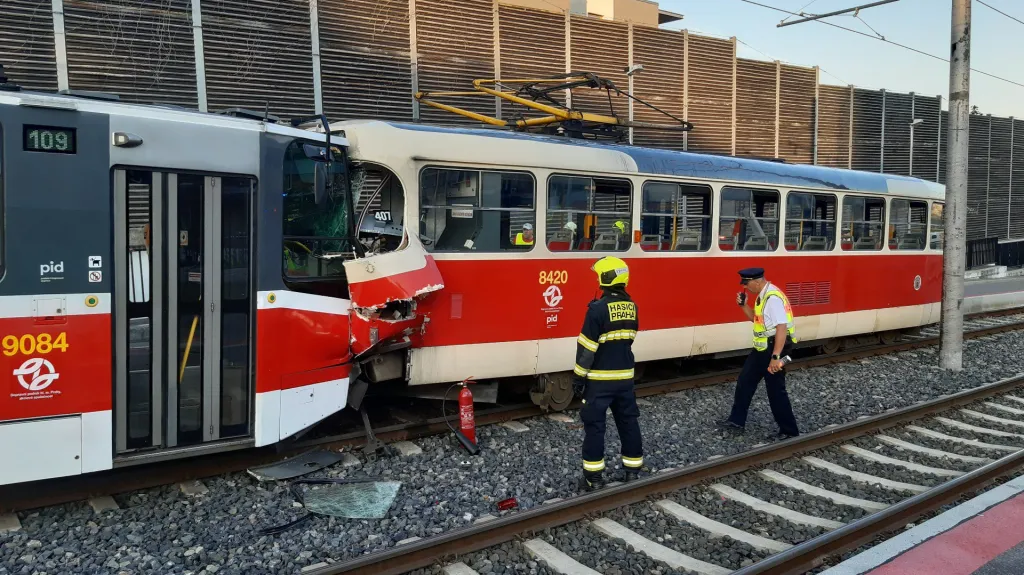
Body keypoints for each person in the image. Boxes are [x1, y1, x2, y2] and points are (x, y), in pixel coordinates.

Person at [572, 256, 643, 490]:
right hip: (625, 379)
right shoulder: (632, 307)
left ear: (606, 278)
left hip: (600, 381)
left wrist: (578, 377)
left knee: (595, 427)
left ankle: (593, 479)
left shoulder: (597, 309)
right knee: (628, 423)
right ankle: (632, 471)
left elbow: (587, 349)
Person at [717, 267, 800, 439]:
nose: (744, 287)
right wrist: (743, 305)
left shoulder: (773, 299)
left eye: (746, 284)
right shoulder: (763, 296)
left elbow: (781, 328)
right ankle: (736, 421)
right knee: (745, 382)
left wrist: (776, 357)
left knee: (775, 390)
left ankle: (789, 431)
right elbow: (756, 319)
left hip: (773, 349)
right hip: (762, 349)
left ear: (757, 281)